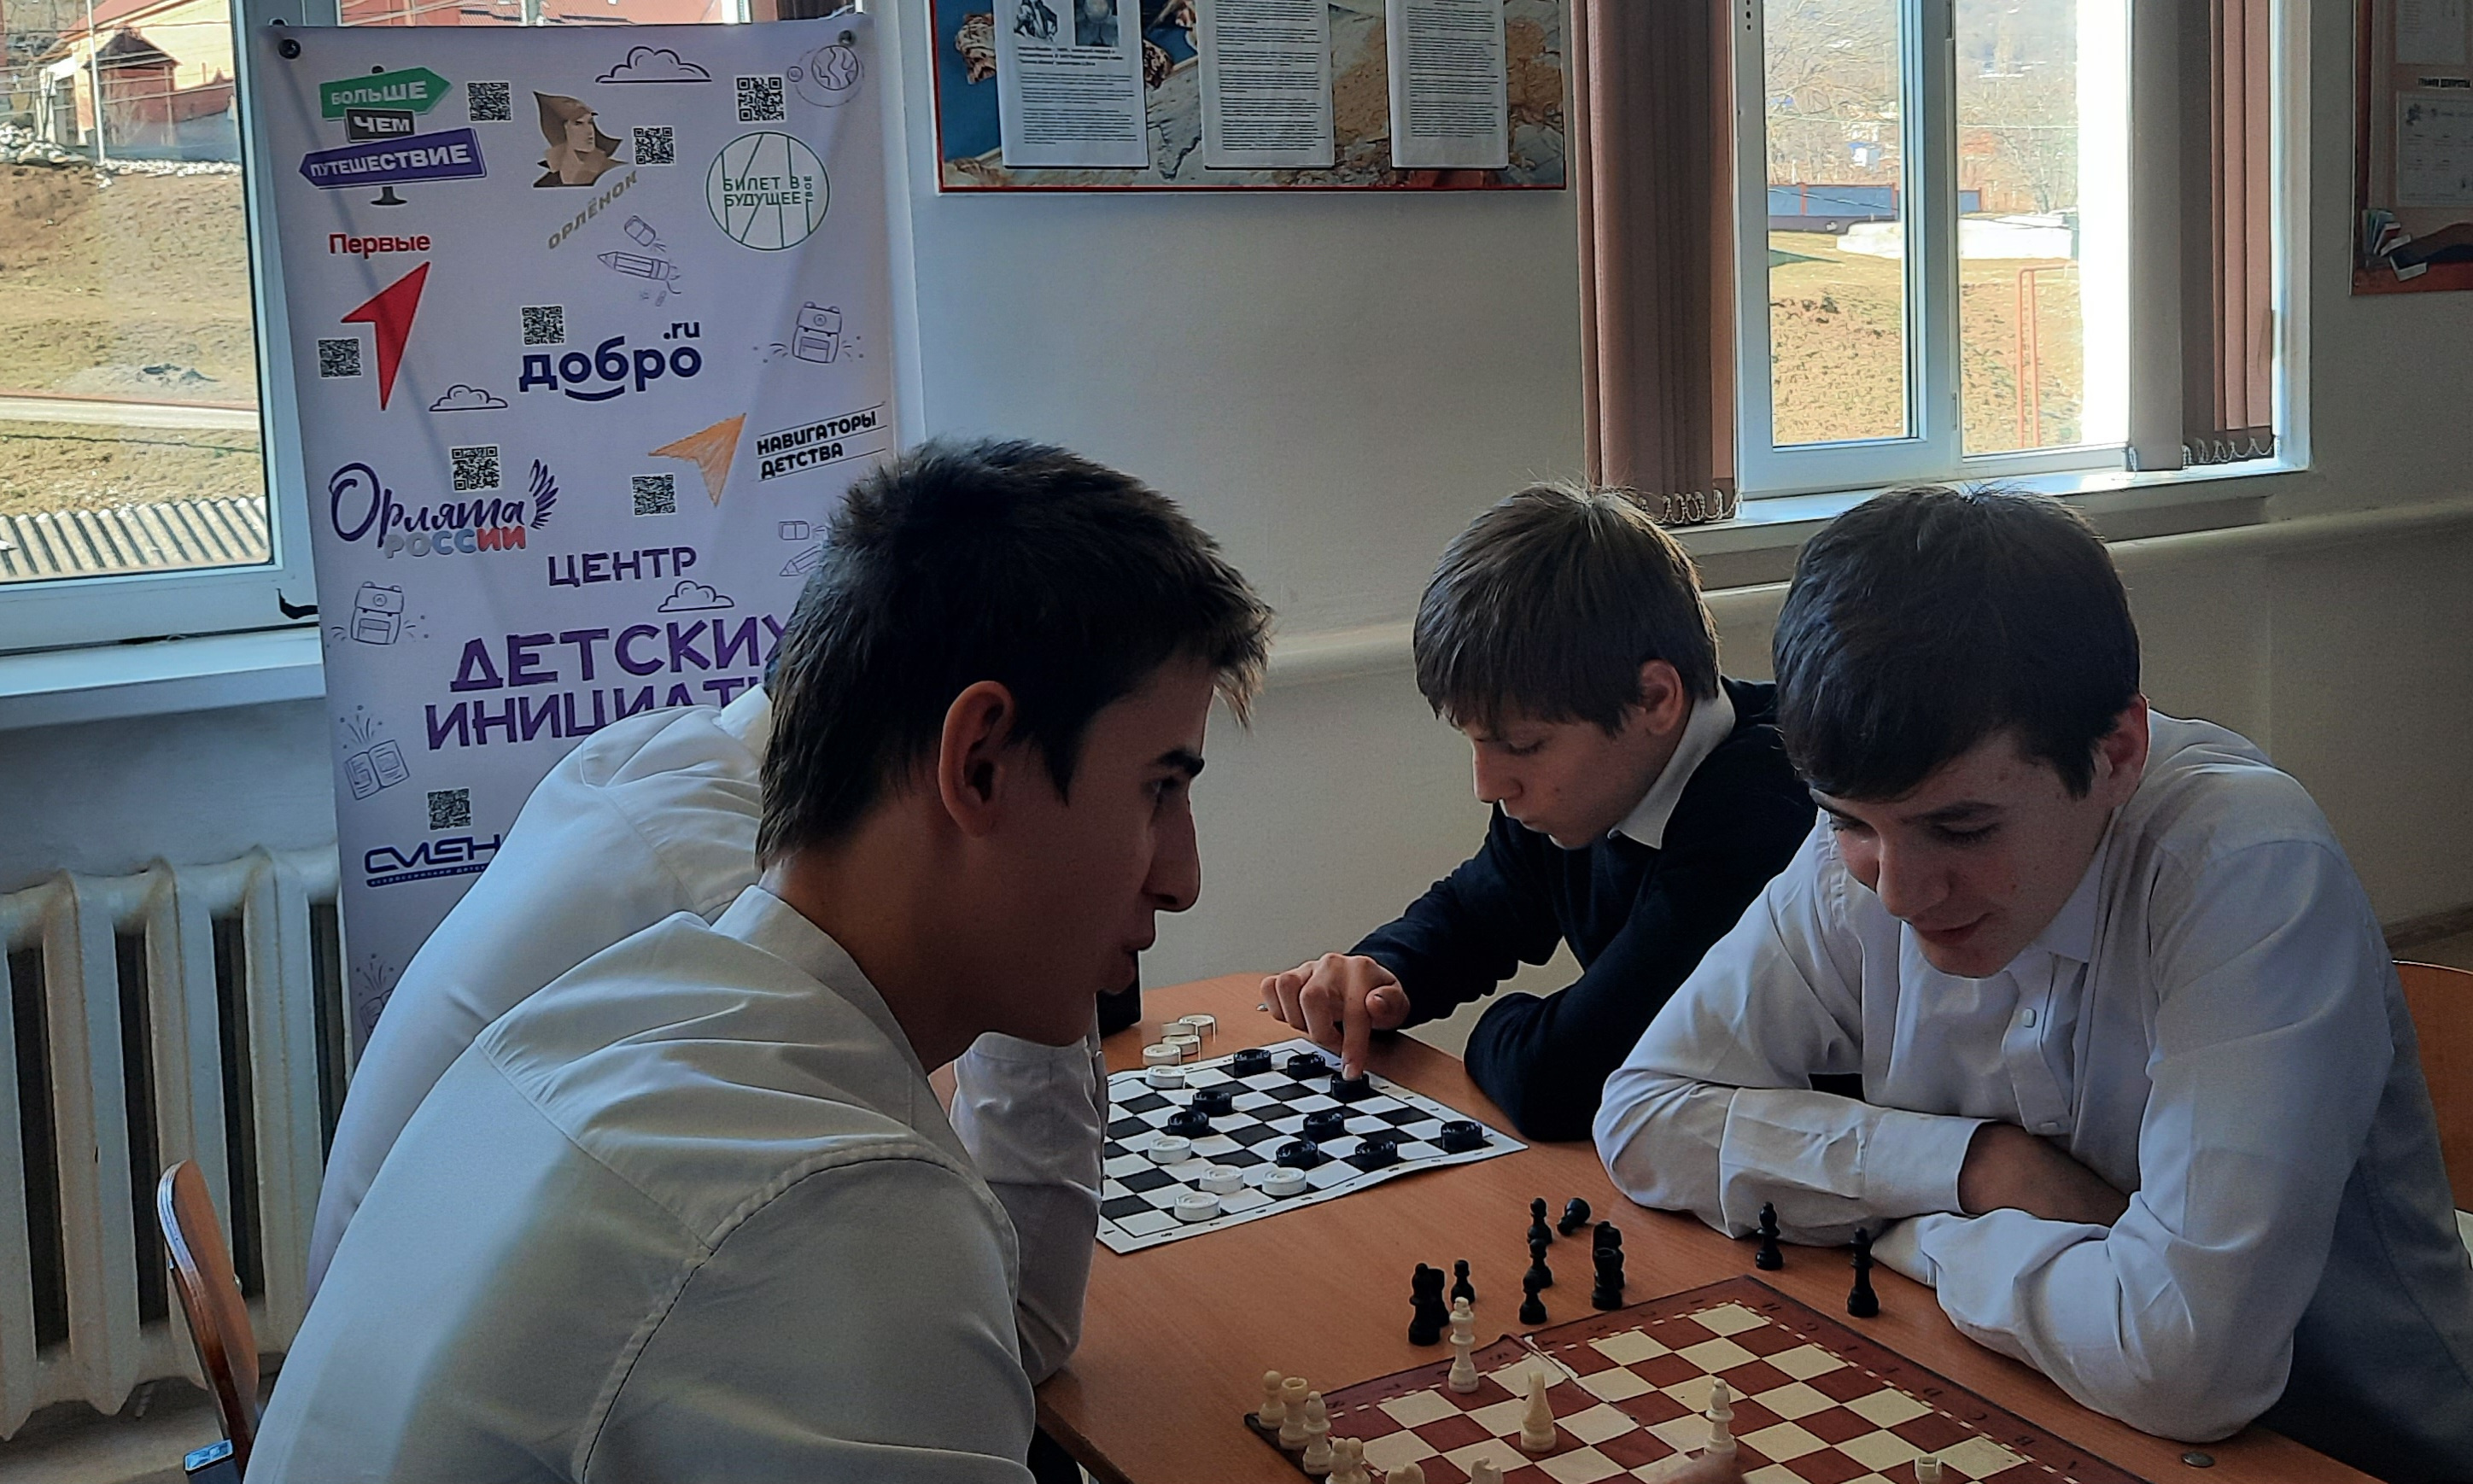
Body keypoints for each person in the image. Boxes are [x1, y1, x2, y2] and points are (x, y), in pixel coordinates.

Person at [253, 440, 1272, 1481]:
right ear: (976, 764)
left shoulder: (594, 1009)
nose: (1182, 878)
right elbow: (1028, 1328)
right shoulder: (843, 1208)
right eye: (1158, 788)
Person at [1593, 487, 2473, 1483]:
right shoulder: (1870, 843)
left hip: (2345, 1453)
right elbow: (1644, 1115)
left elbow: (2183, 1364)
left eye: (1962, 828)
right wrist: (1976, 1169)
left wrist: (1914, 1230)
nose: (1899, 892)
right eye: (1847, 820)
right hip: (2015, 1402)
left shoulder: (2249, 867)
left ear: (2117, 754)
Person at [1262, 483, 1815, 1141]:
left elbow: (1559, 1083)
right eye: (1475, 741)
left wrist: (1495, 1026)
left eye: (1522, 746)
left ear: (1654, 699)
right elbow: (1478, 912)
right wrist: (1380, 974)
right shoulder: (1590, 788)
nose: (1487, 785)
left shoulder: (1765, 812)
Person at [535, 93, 623, 187]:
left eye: (590, 122)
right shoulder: (547, 182)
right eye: (579, 123)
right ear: (563, 129)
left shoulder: (615, 171)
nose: (589, 131)